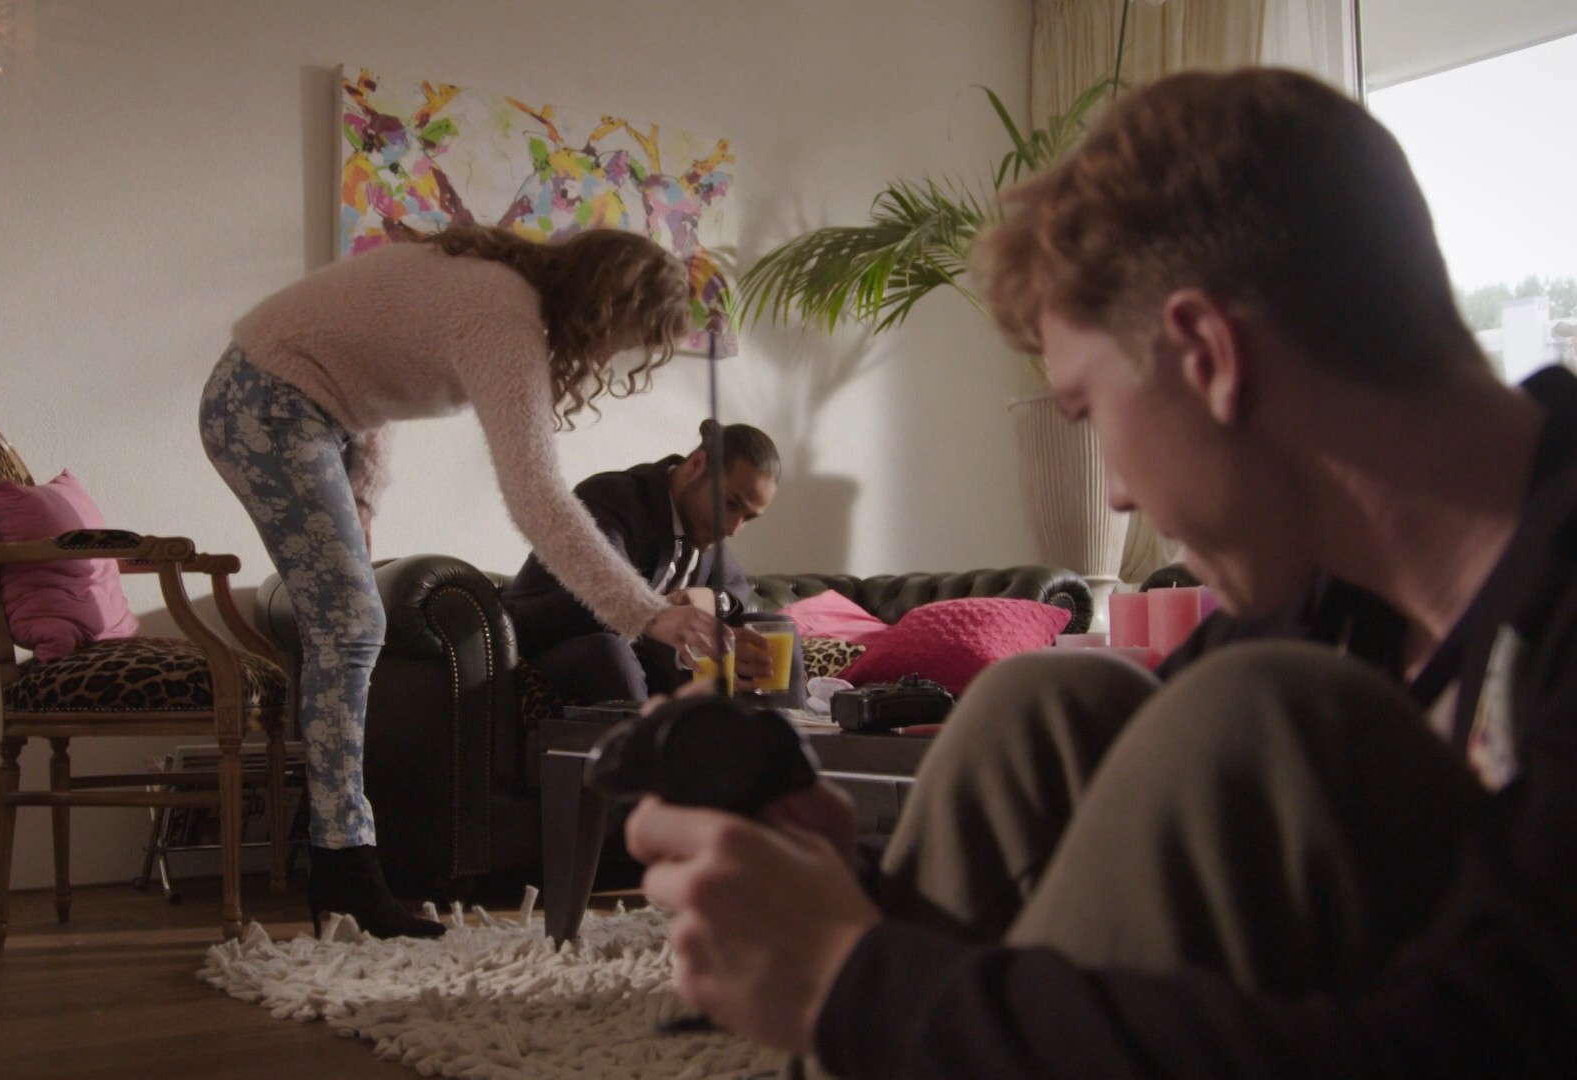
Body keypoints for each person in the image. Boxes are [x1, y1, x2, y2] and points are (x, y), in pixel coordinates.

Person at [624, 67, 1577, 1076]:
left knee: (1248, 708)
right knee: (1046, 708)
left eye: (1090, 413)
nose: (1117, 494)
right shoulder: (1318, 595)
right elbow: (1102, 856)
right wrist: (845, 881)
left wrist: (847, 982)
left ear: (1207, 354)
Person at [202, 226, 722, 938]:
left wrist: (362, 504)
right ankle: (343, 865)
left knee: (350, 624)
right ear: (603, 306)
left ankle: (343, 862)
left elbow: (372, 386)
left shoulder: (492, 291)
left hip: (301, 407)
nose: (608, 355)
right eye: (622, 336)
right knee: (351, 629)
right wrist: (647, 612)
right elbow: (538, 497)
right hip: (264, 399)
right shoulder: (500, 311)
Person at [503, 420, 791, 705]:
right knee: (610, 652)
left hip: (644, 662)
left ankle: (789, 734)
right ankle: (647, 737)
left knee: (772, 632)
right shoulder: (610, 498)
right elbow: (605, 601)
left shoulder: (705, 525)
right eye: (730, 503)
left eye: (748, 517)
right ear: (697, 464)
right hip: (558, 648)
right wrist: (683, 636)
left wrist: (713, 600)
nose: (732, 528)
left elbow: (738, 586)